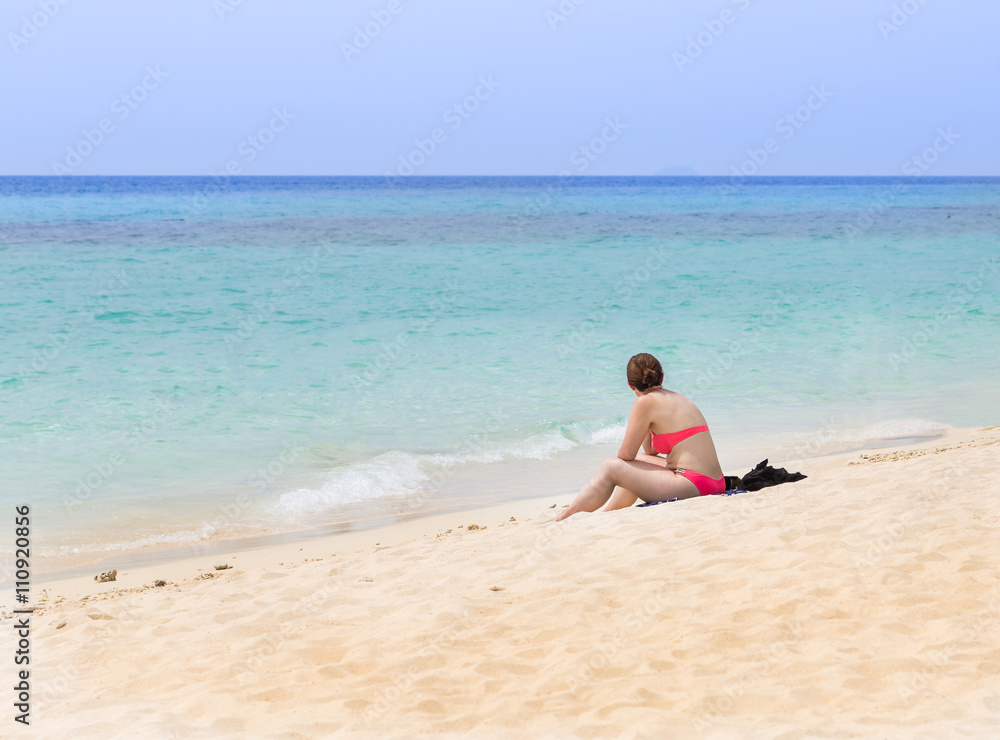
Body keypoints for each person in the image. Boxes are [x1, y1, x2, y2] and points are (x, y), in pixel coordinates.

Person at [553, 352, 726, 521]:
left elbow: (625, 455)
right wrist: (646, 422)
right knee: (638, 461)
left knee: (611, 466)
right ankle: (608, 512)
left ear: (630, 385)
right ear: (662, 377)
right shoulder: (677, 397)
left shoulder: (644, 402)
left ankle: (564, 517)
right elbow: (650, 452)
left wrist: (639, 415)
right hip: (716, 482)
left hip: (695, 485)